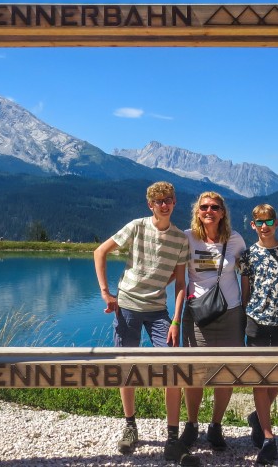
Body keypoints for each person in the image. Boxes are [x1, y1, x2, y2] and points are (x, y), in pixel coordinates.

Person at [93, 181, 199, 466]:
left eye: (169, 200)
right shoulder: (137, 227)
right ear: (150, 205)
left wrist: (176, 319)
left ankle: (173, 438)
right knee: (126, 366)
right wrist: (106, 292)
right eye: (159, 201)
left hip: (158, 311)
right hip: (126, 305)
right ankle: (130, 425)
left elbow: (180, 284)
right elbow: (99, 252)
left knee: (173, 367)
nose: (164, 205)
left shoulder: (180, 239)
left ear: (175, 203)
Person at [178, 192, 246, 451]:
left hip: (231, 314)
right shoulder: (188, 237)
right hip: (197, 314)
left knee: (225, 373)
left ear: (222, 212)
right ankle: (192, 424)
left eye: (214, 207)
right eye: (204, 207)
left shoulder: (235, 239)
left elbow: (247, 271)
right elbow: (176, 273)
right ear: (198, 211)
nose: (209, 211)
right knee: (195, 373)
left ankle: (215, 426)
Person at [238, 203, 278, 465]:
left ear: (277, 223)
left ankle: (257, 417)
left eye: (269, 221)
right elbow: (245, 294)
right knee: (259, 379)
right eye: (259, 222)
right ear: (253, 225)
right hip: (256, 324)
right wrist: (242, 322)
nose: (264, 227)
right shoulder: (248, 256)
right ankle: (268, 437)